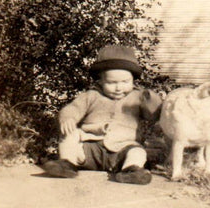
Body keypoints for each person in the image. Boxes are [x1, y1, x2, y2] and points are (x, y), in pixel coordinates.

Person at [43, 45, 162, 184]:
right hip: (90, 148)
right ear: (100, 80)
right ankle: (67, 164)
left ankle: (131, 170)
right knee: (70, 134)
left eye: (125, 82)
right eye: (111, 83)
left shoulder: (137, 97)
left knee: (137, 151)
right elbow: (73, 108)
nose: (119, 87)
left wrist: (151, 100)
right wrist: (68, 118)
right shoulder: (91, 96)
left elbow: (153, 115)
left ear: (133, 80)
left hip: (122, 149)